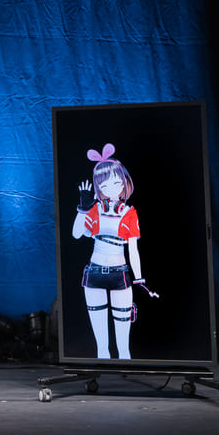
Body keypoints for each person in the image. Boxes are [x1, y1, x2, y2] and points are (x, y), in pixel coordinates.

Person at [72, 144, 155, 360]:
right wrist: (82, 209)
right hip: (95, 273)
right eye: (105, 184)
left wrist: (139, 279)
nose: (112, 188)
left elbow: (133, 249)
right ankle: (103, 373)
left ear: (124, 183)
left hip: (120, 274)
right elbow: (76, 234)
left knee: (123, 346)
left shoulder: (129, 212)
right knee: (102, 346)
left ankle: (125, 373)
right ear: (99, 186)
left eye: (117, 182)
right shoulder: (94, 209)